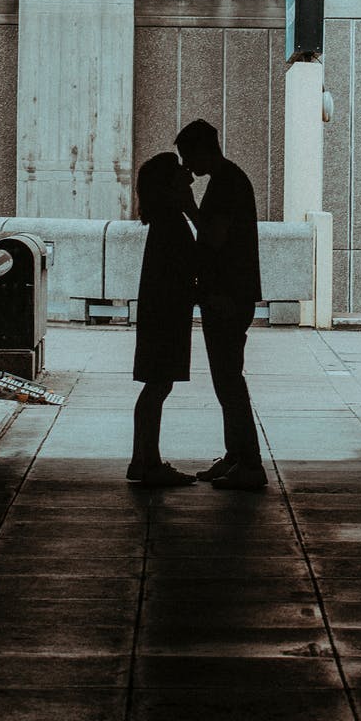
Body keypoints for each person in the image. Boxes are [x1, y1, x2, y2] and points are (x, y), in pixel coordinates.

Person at [175, 118, 268, 491]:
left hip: (228, 296)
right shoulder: (229, 179)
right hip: (233, 293)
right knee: (226, 378)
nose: (185, 166)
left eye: (186, 156)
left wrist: (188, 208)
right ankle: (235, 456)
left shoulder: (226, 184)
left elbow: (214, 237)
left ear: (201, 149)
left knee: (229, 380)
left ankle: (249, 463)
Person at [127, 152, 198, 487]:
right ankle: (148, 460)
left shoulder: (162, 220)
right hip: (168, 310)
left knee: (155, 384)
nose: (188, 173)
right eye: (180, 171)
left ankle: (142, 458)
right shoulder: (173, 221)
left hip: (160, 308)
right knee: (159, 384)